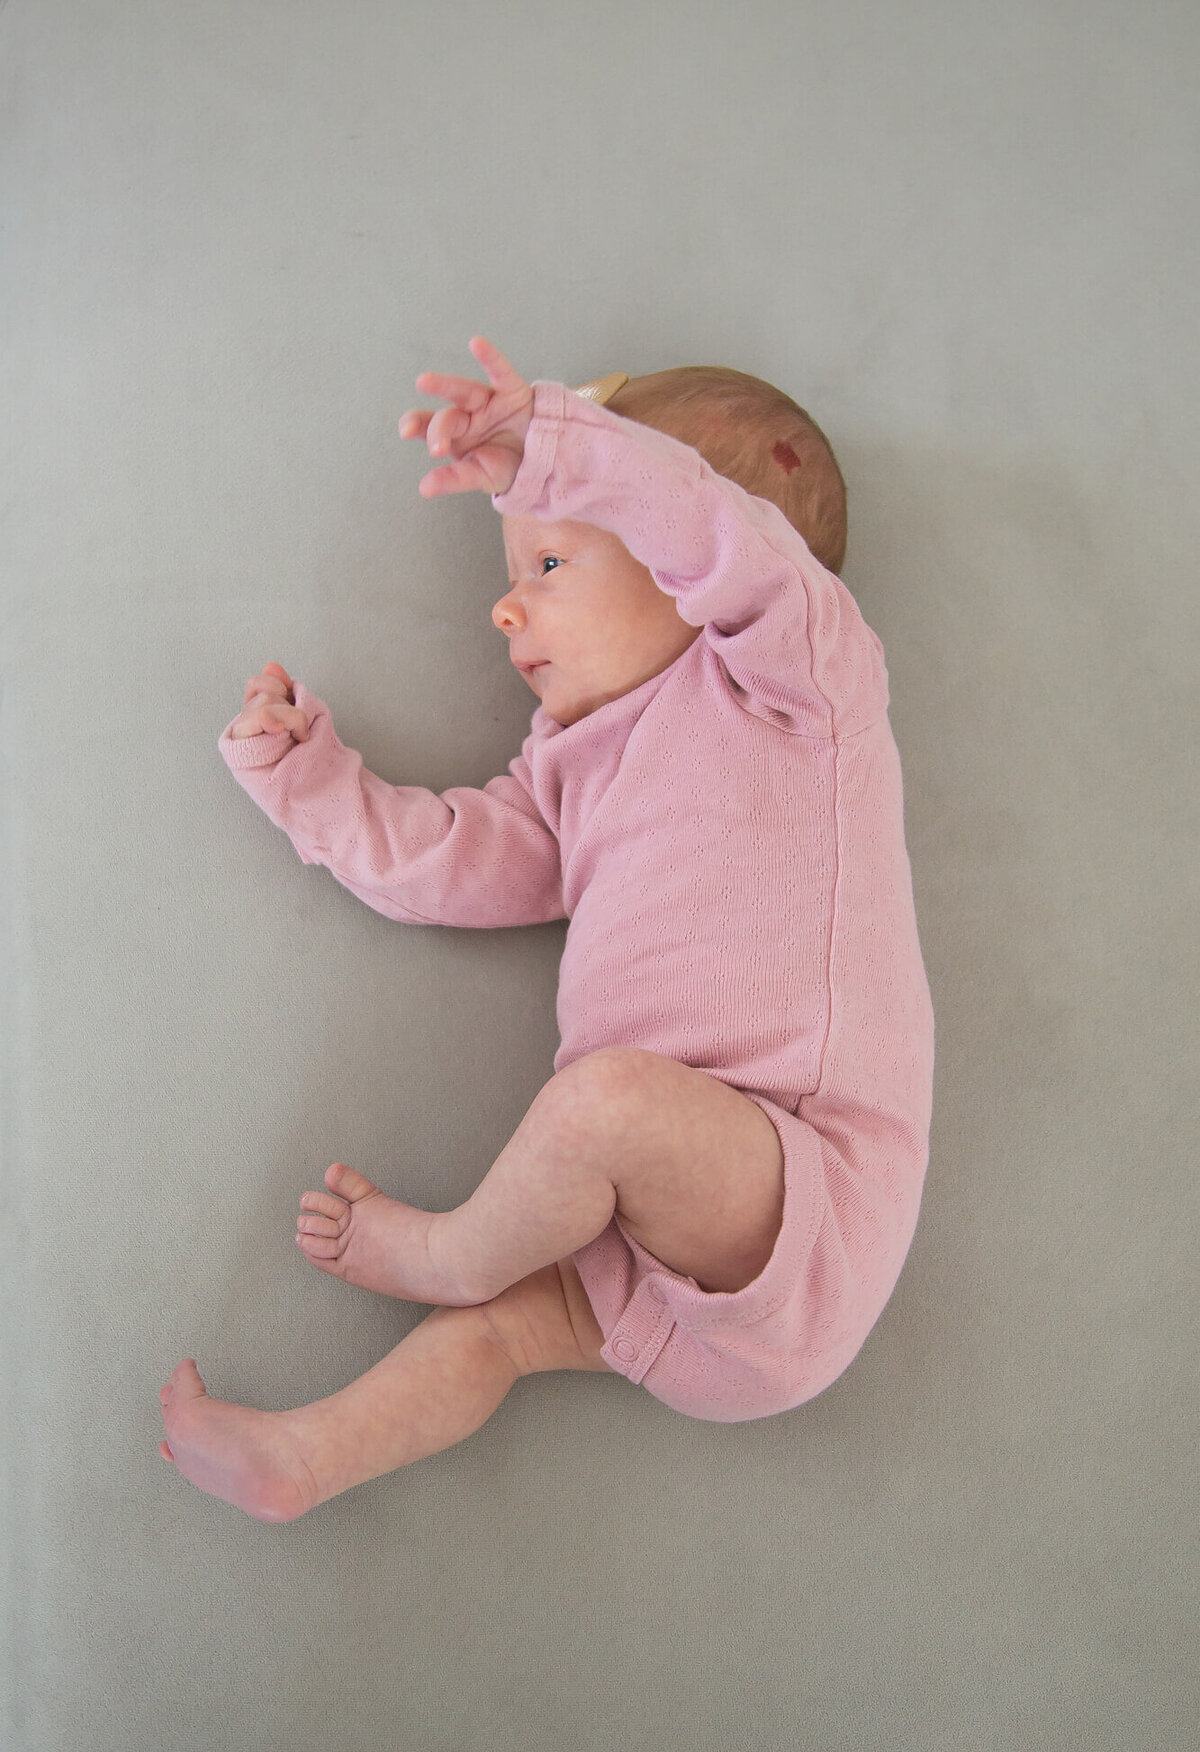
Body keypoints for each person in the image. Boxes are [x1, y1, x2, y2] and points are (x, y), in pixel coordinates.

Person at [157, 337, 934, 1521]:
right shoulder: (571, 768)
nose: (506, 605)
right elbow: (449, 862)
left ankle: (447, 1253)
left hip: (800, 1197)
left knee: (604, 1106)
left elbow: (722, 539)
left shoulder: (796, 678)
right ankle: (305, 1459)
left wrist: (566, 447)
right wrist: (309, 783)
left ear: (691, 552)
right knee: (498, 1339)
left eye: (553, 557)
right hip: (655, 1259)